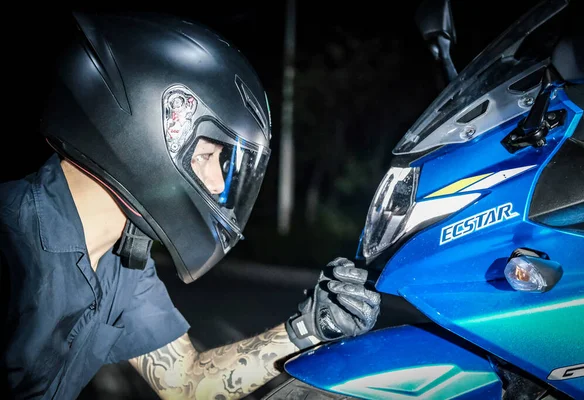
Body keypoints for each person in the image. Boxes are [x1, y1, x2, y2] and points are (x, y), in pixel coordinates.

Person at [0, 10, 381, 400]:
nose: (216, 183)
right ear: (138, 133)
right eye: (204, 156)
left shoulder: (125, 263)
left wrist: (308, 328)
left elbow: (186, 383)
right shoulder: (13, 239)